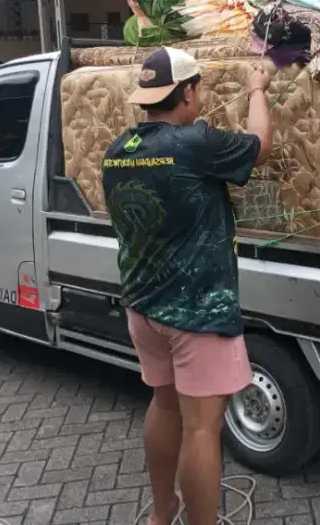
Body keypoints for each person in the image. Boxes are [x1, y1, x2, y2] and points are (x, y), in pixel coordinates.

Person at [101, 46, 273, 525]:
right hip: (196, 314)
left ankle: (162, 514)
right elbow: (261, 145)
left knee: (164, 403)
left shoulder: (117, 152)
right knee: (202, 427)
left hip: (142, 306)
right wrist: (258, 89)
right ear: (190, 93)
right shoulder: (194, 143)